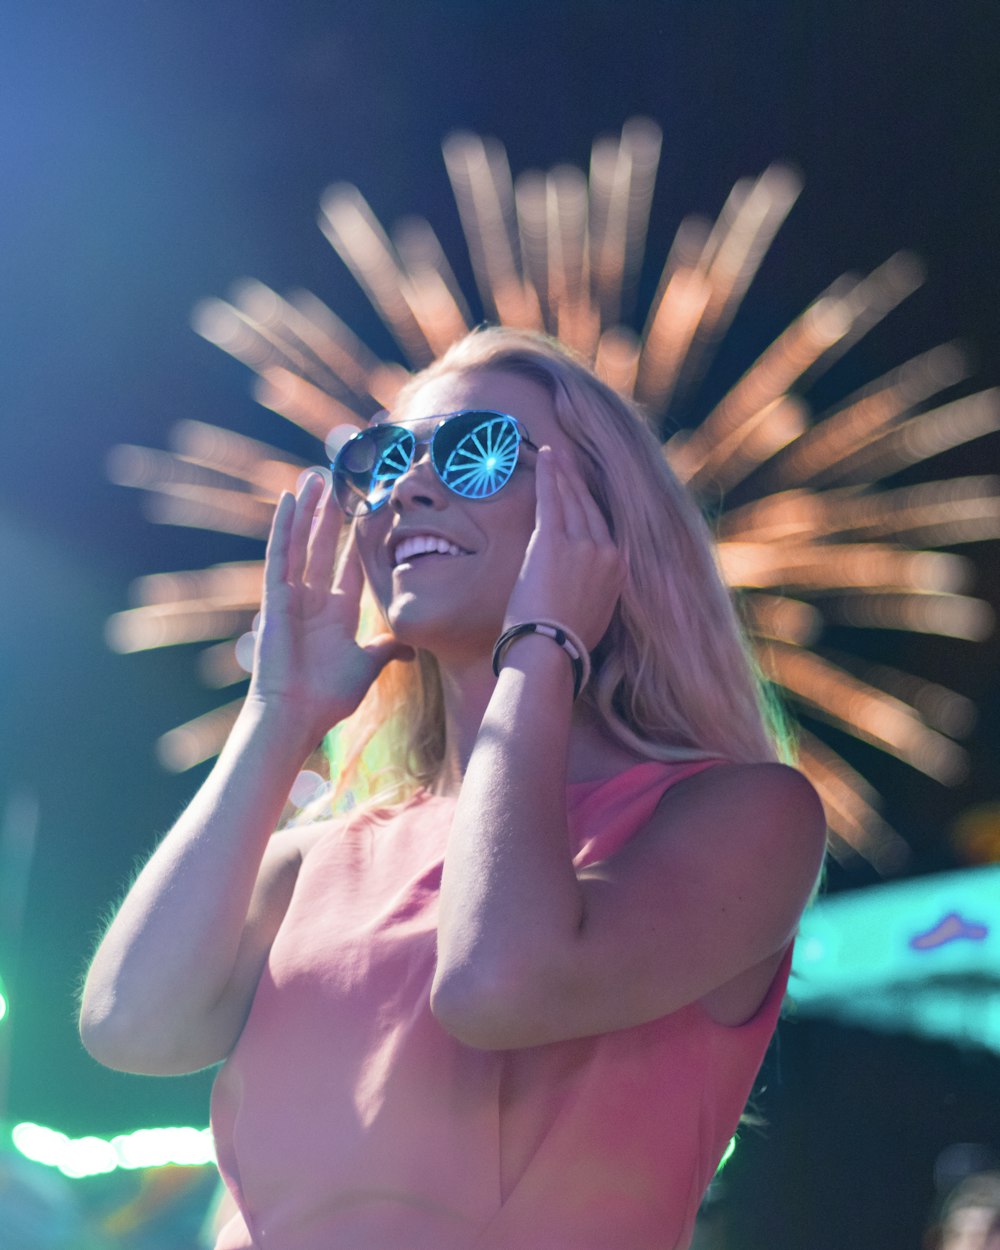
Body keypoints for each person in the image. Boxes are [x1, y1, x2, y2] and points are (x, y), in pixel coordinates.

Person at [80, 326, 826, 1250]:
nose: (408, 486)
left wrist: (542, 647)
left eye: (480, 451)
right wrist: (279, 714)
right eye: (386, 458)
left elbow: (497, 985)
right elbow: (130, 1026)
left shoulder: (742, 814)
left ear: (598, 518)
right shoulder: (322, 857)